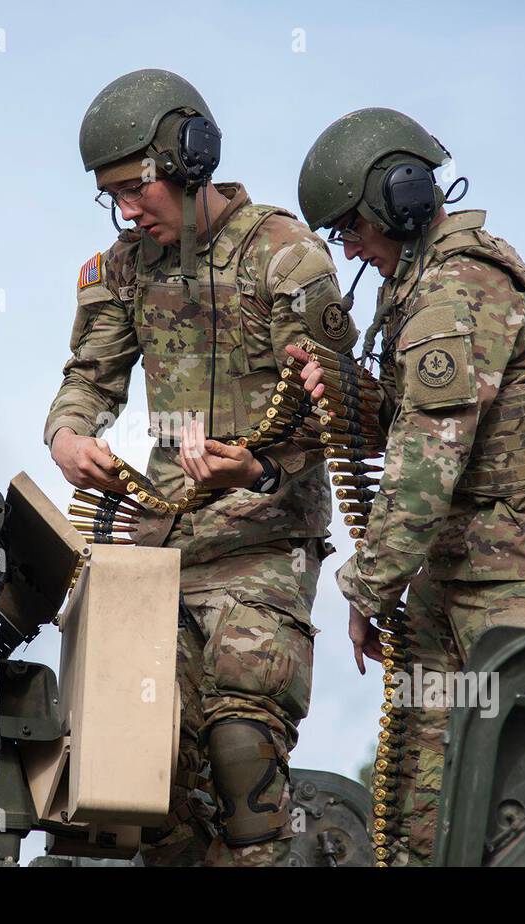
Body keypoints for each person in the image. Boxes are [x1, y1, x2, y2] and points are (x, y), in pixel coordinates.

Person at [43, 69, 359, 866]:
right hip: (159, 549)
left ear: (190, 157)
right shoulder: (118, 270)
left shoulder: (286, 257)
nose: (126, 210)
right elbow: (88, 379)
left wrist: (256, 468)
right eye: (109, 195)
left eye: (134, 188)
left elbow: (343, 406)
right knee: (144, 770)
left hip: (264, 538)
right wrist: (68, 438)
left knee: (242, 743)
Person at [291, 108, 525, 865]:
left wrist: (367, 589)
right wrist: (344, 392)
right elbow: (418, 425)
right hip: (452, 573)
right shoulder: (416, 285)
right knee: (420, 803)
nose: (349, 249)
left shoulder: (455, 289)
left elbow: (422, 467)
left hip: (522, 578)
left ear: (396, 199)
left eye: (351, 228)